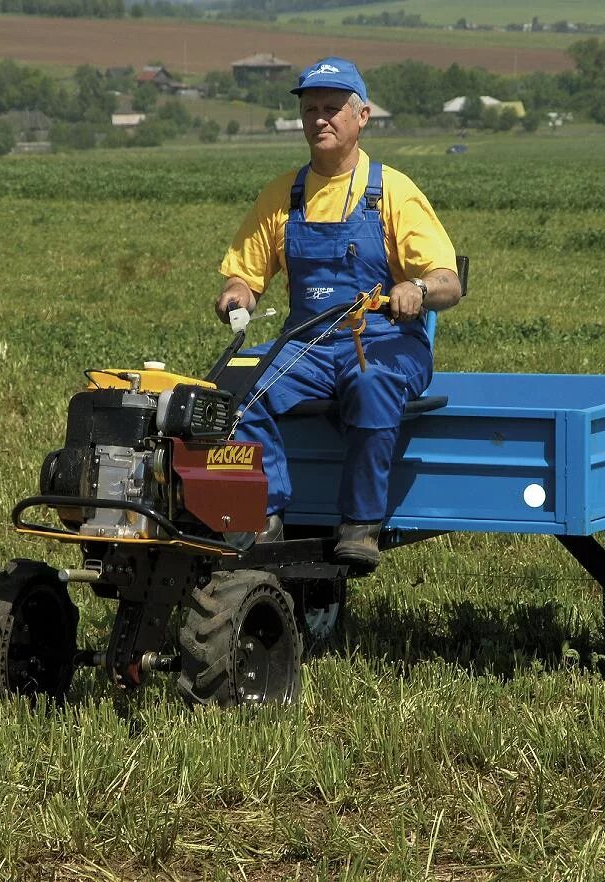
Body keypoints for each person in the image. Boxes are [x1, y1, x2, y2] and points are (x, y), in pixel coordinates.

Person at [216, 56, 462, 570]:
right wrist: (237, 295)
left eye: (332, 109)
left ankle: (361, 523)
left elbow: (449, 281)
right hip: (304, 343)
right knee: (235, 389)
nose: (320, 120)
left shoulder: (392, 191)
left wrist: (416, 287)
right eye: (311, 110)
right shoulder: (284, 193)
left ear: (362, 115)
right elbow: (246, 275)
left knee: (370, 384)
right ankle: (263, 515)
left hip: (384, 341)